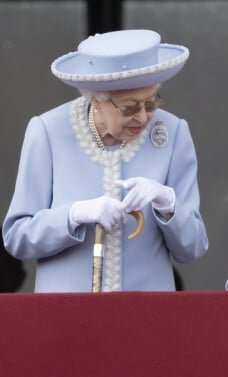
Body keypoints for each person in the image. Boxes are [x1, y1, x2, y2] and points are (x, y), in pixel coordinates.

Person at [3, 29, 209, 292]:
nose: (144, 117)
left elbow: (193, 248)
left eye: (151, 103)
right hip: (67, 314)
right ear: (95, 99)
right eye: (130, 107)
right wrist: (72, 215)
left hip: (146, 314)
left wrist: (168, 202)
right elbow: (17, 238)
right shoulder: (48, 131)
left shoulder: (173, 133)